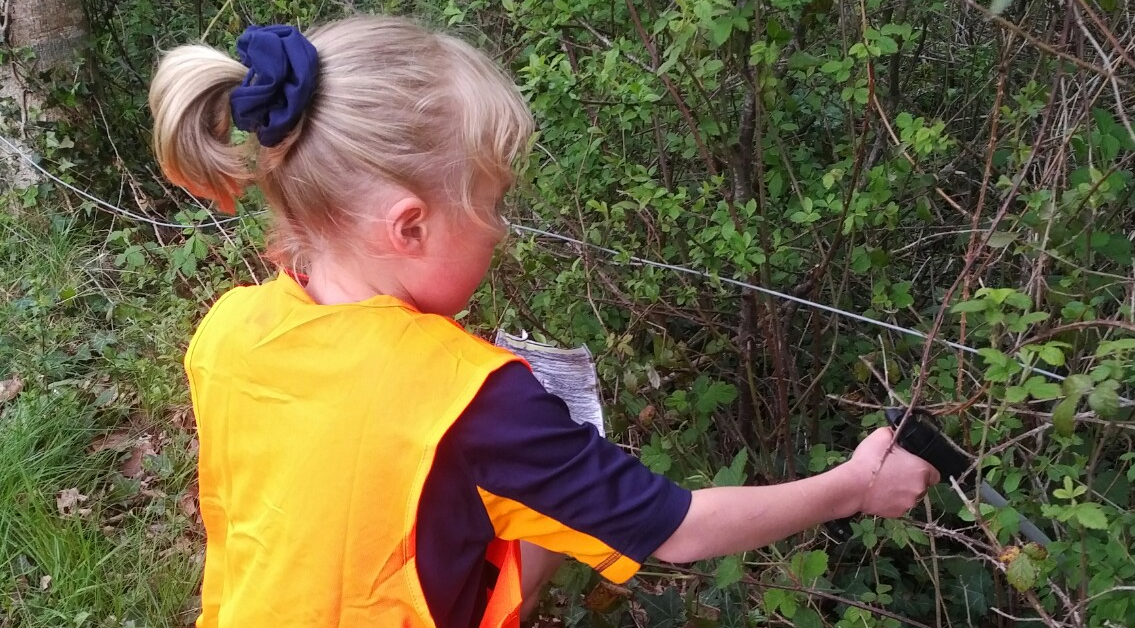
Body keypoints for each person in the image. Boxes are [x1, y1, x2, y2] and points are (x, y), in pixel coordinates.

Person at [149, 16, 940, 628]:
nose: (501, 229)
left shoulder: (228, 330)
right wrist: (851, 489)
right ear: (410, 227)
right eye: (491, 205)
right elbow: (679, 531)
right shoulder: (470, 400)